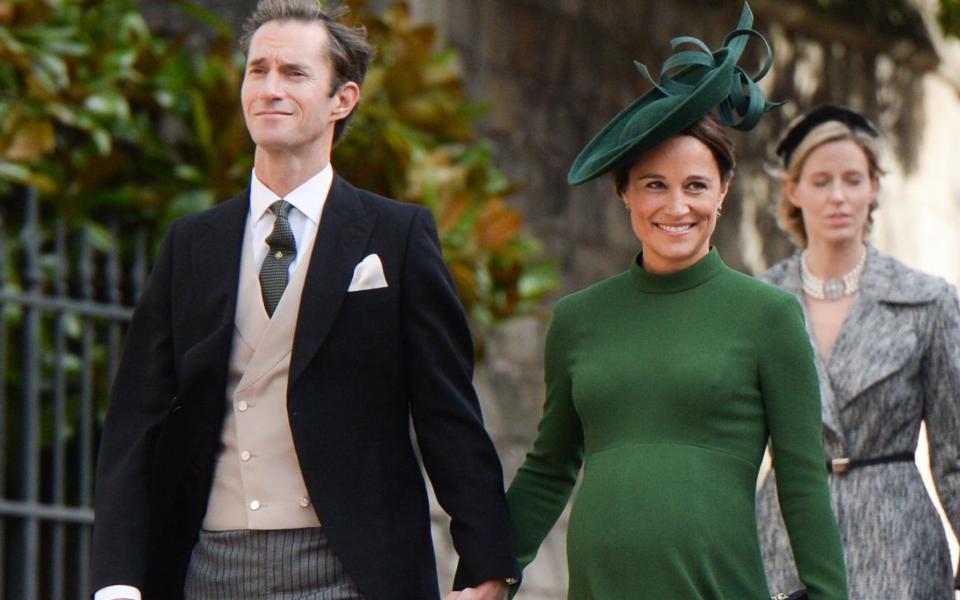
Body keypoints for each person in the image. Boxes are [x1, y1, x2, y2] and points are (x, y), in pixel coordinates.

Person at [90, 1, 518, 599]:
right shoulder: (192, 244)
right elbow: (136, 420)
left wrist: (488, 566)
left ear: (342, 100)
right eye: (257, 70)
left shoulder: (396, 237)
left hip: (353, 572)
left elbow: (447, 412)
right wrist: (115, 578)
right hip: (207, 567)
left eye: (293, 73)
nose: (268, 88)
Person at [498, 5, 848, 599]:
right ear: (625, 193)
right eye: (655, 185)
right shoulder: (579, 319)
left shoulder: (768, 316)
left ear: (724, 193)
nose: (676, 207)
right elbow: (549, 467)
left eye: (695, 186)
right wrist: (490, 570)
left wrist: (828, 593)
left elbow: (801, 478)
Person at [756, 104, 960, 599]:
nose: (839, 197)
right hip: (784, 543)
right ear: (793, 190)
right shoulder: (756, 306)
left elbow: (957, 457)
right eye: (822, 181)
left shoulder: (928, 301)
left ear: (874, 187)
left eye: (853, 179)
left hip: (899, 546)